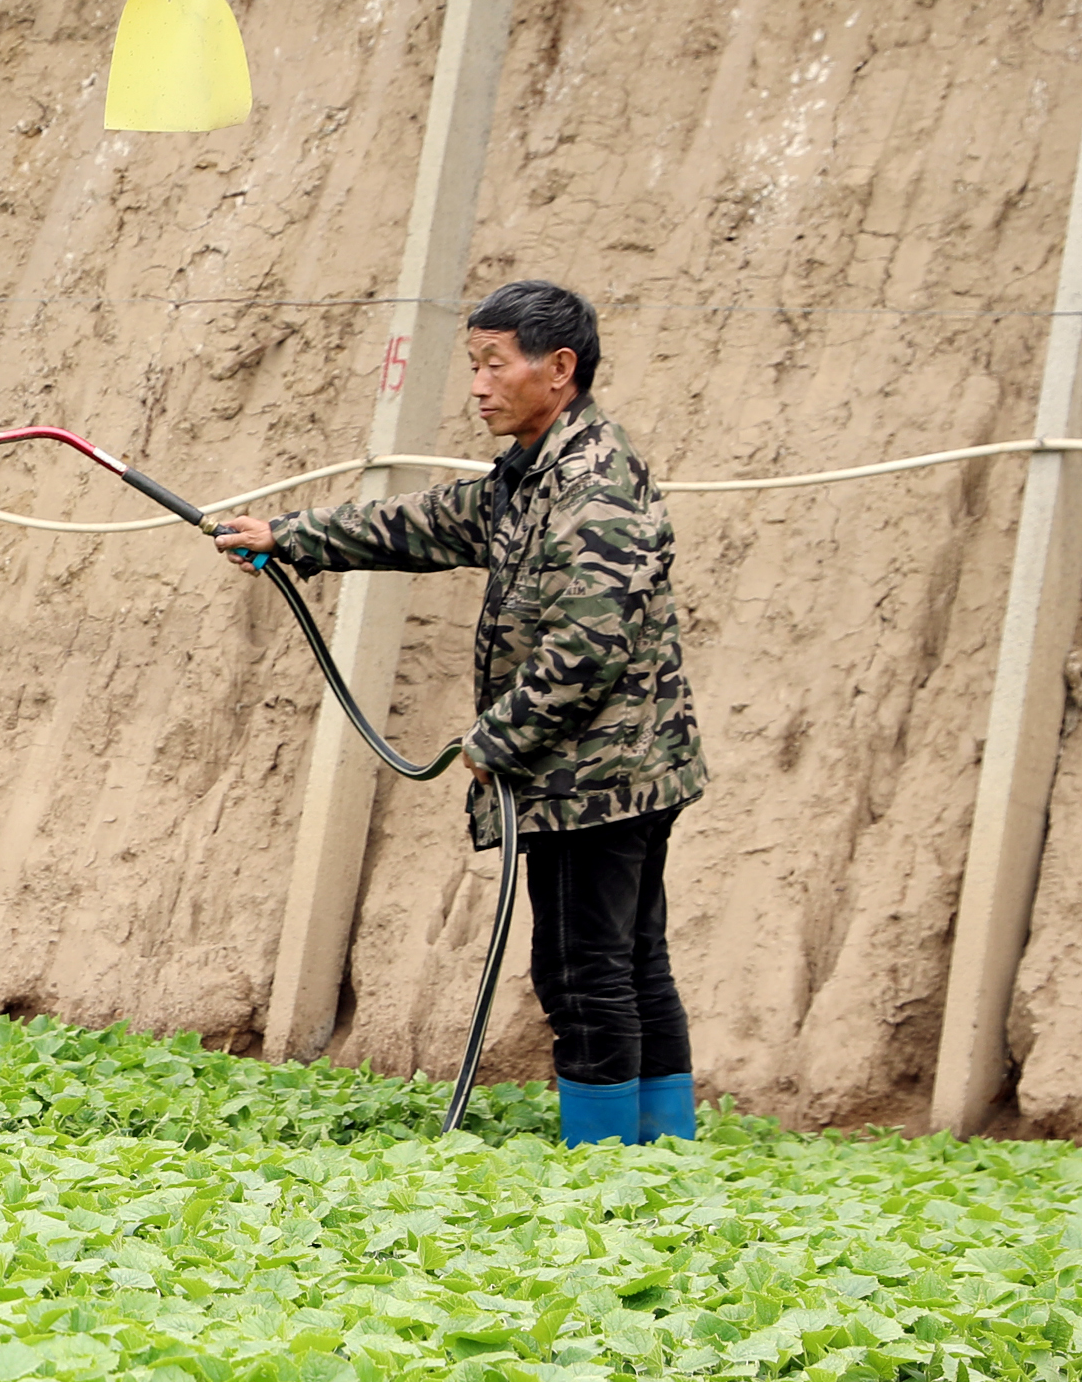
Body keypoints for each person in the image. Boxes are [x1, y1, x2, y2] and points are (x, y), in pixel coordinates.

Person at [208, 281, 707, 1146]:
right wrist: (290, 535)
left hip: (598, 777)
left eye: (493, 364)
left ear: (559, 369)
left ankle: (612, 1163)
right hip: (615, 768)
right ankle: (662, 1146)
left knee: (583, 967)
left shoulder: (592, 487)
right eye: (472, 364)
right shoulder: (533, 473)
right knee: (627, 959)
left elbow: (589, 646)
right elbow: (428, 523)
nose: (476, 385)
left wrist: (498, 738)